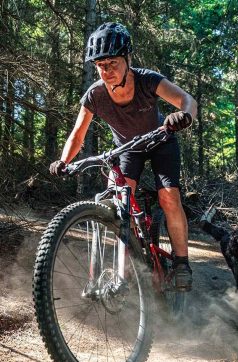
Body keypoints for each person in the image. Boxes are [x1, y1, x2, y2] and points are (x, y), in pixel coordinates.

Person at [50, 22, 198, 291]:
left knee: (168, 195)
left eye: (112, 63)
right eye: (100, 64)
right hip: (128, 149)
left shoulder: (147, 80)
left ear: (127, 58)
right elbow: (77, 135)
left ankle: (181, 263)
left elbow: (188, 100)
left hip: (160, 141)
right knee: (117, 204)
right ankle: (127, 268)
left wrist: (184, 115)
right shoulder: (94, 95)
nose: (106, 71)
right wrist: (64, 162)